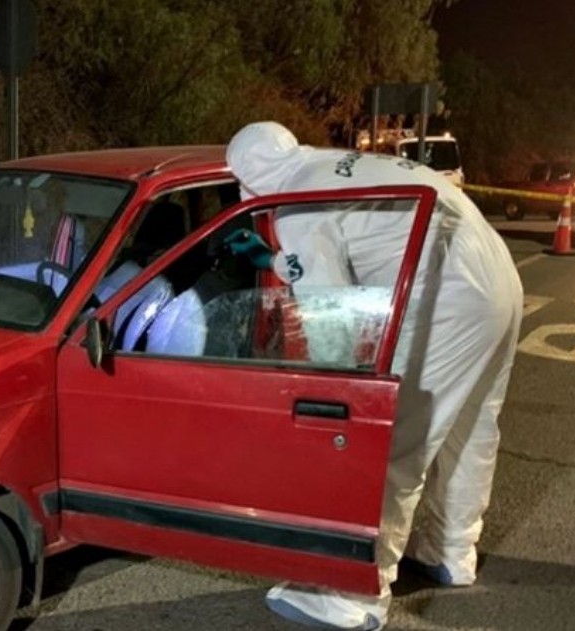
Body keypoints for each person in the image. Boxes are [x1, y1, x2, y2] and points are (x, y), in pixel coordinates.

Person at [224, 122, 523, 631]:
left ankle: (348, 595)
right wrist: (275, 260)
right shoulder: (332, 166)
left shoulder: (297, 203)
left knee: (391, 444)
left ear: (248, 179)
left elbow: (331, 313)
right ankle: (449, 551)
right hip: (498, 280)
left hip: (445, 296)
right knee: (470, 429)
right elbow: (348, 244)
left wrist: (337, 398)